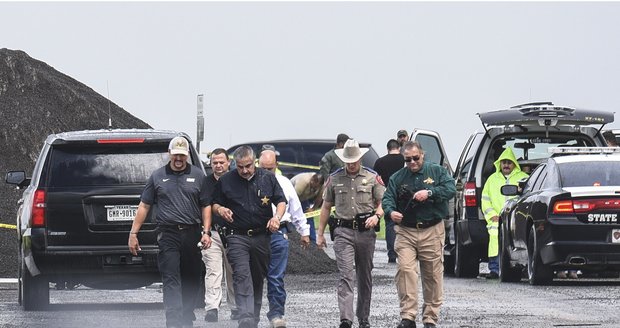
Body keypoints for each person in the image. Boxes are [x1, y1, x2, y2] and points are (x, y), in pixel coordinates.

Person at [128, 136, 212, 328]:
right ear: (169, 153)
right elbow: (144, 205)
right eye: (176, 155)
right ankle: (173, 321)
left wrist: (206, 232)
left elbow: (206, 205)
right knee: (171, 277)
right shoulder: (157, 176)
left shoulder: (199, 176)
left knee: (191, 276)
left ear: (187, 155)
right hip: (168, 234)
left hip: (192, 234)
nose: (179, 159)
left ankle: (186, 313)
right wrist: (133, 234)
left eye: (182, 155)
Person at [381, 141, 456, 328]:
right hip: (406, 230)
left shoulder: (437, 171)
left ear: (422, 154)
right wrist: (391, 212)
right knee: (406, 270)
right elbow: (387, 198)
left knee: (432, 274)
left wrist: (430, 192)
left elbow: (450, 189)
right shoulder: (398, 178)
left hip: (432, 229)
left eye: (416, 158)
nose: (413, 162)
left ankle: (430, 317)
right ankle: (408, 316)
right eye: (408, 160)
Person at [211, 146, 286, 328]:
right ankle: (245, 316)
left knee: (257, 278)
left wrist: (276, 218)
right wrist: (221, 209)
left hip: (262, 237)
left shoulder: (268, 178)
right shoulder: (226, 180)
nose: (244, 171)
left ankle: (253, 317)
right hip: (237, 236)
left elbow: (281, 201)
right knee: (241, 274)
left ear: (255, 162)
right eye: (240, 167)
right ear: (235, 164)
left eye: (248, 166)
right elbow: (214, 203)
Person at [317, 139, 384, 328]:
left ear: (360, 159)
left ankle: (363, 317)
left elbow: (383, 203)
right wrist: (320, 234)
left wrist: (377, 217)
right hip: (342, 231)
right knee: (346, 275)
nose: (351, 164)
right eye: (348, 160)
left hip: (366, 232)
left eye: (354, 160)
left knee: (365, 275)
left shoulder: (372, 177)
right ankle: (346, 319)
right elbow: (325, 207)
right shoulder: (335, 178)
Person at [258, 150, 311, 328]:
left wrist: (304, 231)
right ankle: (250, 314)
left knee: (275, 277)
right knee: (252, 277)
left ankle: (276, 314)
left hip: (278, 234)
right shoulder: (250, 182)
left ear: (276, 166)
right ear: (258, 165)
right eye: (263, 168)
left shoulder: (284, 183)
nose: (266, 172)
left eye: (270, 169)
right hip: (255, 235)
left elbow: (296, 209)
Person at [201, 148, 238, 322]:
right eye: (215, 162)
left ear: (228, 162)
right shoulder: (206, 182)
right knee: (213, 271)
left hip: (234, 234)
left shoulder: (237, 180)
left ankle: (236, 307)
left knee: (234, 272)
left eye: (221, 162)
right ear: (210, 164)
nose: (218, 165)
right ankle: (212, 308)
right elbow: (205, 206)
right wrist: (206, 232)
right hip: (213, 233)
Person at [480, 147, 529, 280]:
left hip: (516, 220)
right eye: (504, 162)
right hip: (496, 220)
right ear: (499, 164)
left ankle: (523, 269)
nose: (506, 165)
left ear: (514, 164)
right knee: (495, 238)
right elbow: (485, 200)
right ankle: (494, 269)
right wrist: (492, 216)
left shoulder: (524, 178)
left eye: (509, 162)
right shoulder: (491, 179)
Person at [373, 139, 405, 263]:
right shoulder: (405, 160)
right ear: (398, 148)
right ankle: (405, 252)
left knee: (390, 225)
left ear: (388, 149)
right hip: (403, 195)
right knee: (405, 224)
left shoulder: (380, 162)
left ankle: (392, 254)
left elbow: (376, 180)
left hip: (387, 195)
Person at [290, 171, 325, 244]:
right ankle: (292, 238)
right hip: (292, 198)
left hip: (304, 199)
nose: (314, 188)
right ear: (312, 180)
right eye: (314, 185)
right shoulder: (303, 181)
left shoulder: (322, 186)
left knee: (309, 216)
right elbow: (293, 199)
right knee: (292, 218)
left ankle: (312, 241)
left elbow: (319, 198)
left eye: (316, 187)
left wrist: (313, 209)